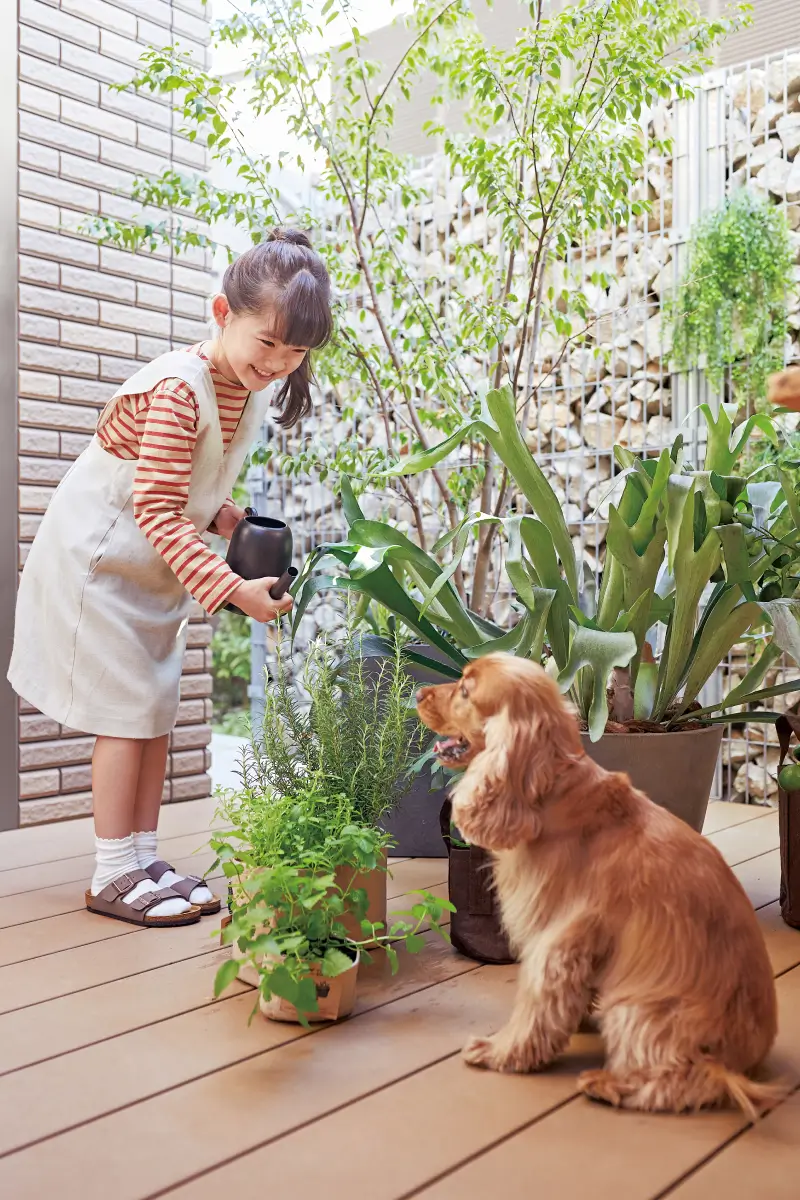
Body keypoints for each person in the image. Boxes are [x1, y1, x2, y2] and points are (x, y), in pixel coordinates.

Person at [8, 228, 332, 927]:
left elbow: (187, 488)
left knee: (152, 710)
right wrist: (230, 588)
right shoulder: (180, 389)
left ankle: (144, 857)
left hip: (148, 565)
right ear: (223, 314)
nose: (278, 364)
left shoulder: (242, 388)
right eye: (267, 343)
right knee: (126, 716)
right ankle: (112, 872)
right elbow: (154, 504)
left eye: (296, 352)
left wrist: (228, 520)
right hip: (100, 561)